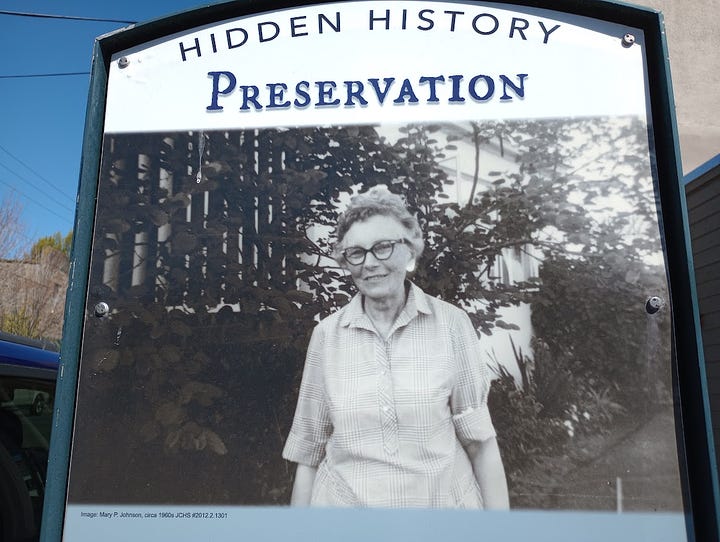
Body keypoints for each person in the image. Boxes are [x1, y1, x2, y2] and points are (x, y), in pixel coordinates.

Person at [282, 185, 509, 509]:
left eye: (383, 247)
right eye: (356, 253)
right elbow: (309, 452)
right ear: (346, 263)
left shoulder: (452, 325)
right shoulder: (327, 336)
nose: (370, 263)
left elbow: (481, 444)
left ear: (410, 252)